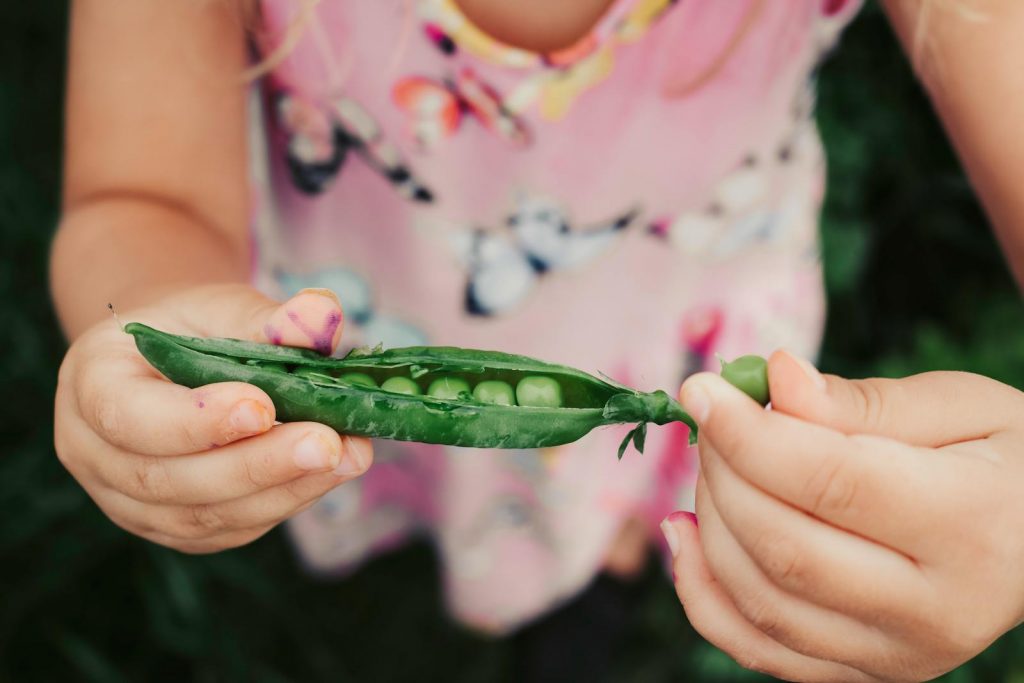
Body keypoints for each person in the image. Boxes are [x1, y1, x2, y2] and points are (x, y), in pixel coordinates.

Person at [51, 0, 1024, 680]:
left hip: (668, 316)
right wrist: (146, 316)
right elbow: (141, 197)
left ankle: (597, 578)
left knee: (630, 512)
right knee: (365, 470)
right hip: (351, 327)